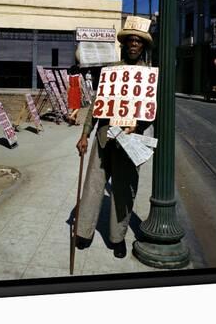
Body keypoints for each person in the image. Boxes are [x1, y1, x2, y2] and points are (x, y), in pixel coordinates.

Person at [74, 18, 153, 259]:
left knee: (123, 191)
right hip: (103, 138)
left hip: (130, 142)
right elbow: (98, 105)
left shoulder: (149, 75)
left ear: (143, 47)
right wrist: (84, 134)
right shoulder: (111, 72)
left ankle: (117, 238)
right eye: (130, 40)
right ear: (124, 45)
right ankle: (83, 233)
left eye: (138, 41)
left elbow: (151, 111)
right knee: (92, 187)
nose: (133, 45)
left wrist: (137, 125)